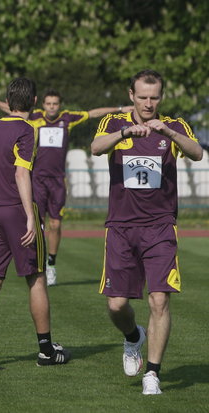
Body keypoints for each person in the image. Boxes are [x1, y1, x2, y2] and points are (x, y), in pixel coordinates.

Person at [90, 69, 202, 395]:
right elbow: (96, 147)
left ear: (161, 97)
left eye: (154, 97)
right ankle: (132, 337)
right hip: (121, 228)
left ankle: (152, 373)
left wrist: (167, 132)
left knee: (159, 300)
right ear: (131, 96)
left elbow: (197, 153)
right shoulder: (113, 123)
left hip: (160, 226)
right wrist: (126, 132)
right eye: (142, 97)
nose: (148, 103)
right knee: (116, 305)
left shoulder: (174, 126)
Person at [0, 77, 69, 371]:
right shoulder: (27, 130)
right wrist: (31, 216)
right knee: (35, 278)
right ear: (34, 102)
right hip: (16, 212)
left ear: (8, 101)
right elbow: (22, 175)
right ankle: (46, 350)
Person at [0, 90, 128, 286]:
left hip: (57, 180)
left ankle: (51, 264)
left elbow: (92, 113)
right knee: (39, 224)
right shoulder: (35, 118)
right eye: (48, 103)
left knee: (55, 224)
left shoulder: (68, 118)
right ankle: (38, 264)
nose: (52, 107)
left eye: (55, 103)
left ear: (59, 105)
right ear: (42, 104)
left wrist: (121, 109)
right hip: (36, 179)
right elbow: (12, 109)